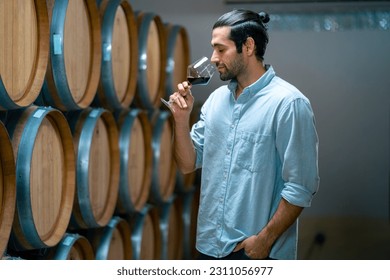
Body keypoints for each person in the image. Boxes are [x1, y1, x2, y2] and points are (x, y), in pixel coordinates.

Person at [167, 9, 320, 260]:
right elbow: (186, 164)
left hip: (258, 251)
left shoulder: (288, 103)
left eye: (220, 49)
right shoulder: (215, 101)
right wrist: (181, 121)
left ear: (248, 46)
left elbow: (301, 186)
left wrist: (264, 240)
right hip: (209, 247)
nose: (213, 58)